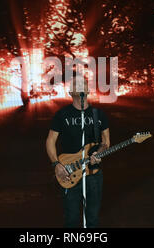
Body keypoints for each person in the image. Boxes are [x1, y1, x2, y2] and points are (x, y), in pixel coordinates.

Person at [45, 77, 110, 227]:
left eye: (83, 84)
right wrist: (56, 164)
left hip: (93, 174)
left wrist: (98, 153)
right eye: (76, 84)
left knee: (92, 219)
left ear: (88, 90)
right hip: (70, 171)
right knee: (71, 219)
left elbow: (106, 142)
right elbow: (50, 141)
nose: (80, 86)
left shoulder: (98, 115)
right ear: (70, 92)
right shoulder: (62, 115)